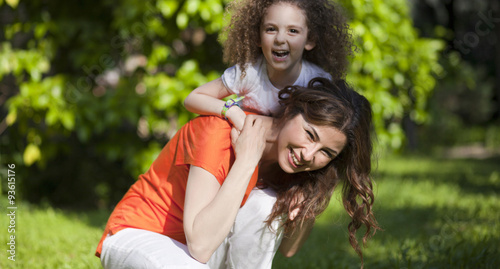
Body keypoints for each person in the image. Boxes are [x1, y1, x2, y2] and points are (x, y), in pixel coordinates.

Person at [96, 78, 380, 269]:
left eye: (326, 153)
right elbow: (200, 246)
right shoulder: (218, 133)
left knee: (265, 203)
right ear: (291, 110)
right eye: (309, 133)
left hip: (199, 255)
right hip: (141, 235)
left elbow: (290, 249)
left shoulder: (299, 166)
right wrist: (247, 160)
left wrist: (309, 196)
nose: (308, 154)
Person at [184, 0, 353, 132]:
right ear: (257, 37)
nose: (280, 39)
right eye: (271, 29)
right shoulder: (248, 72)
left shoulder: (317, 82)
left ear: (310, 40)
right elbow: (193, 99)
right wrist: (232, 111)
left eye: (293, 31)